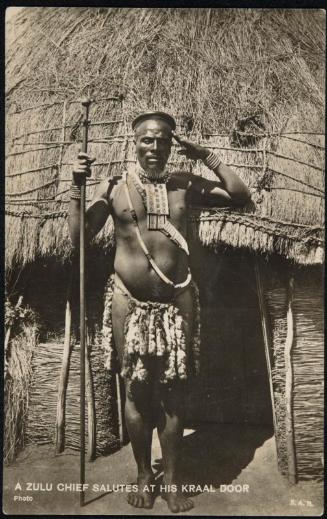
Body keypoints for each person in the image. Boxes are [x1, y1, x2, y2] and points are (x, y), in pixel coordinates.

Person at [68, 111, 250, 513]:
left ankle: (171, 479)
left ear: (172, 144)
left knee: (173, 392)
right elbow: (80, 236)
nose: (154, 148)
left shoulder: (185, 185)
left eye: (162, 141)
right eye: (146, 140)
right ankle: (142, 475)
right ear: (134, 142)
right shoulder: (115, 186)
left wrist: (207, 156)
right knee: (135, 390)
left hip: (177, 300)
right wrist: (77, 187)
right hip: (127, 301)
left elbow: (241, 196)